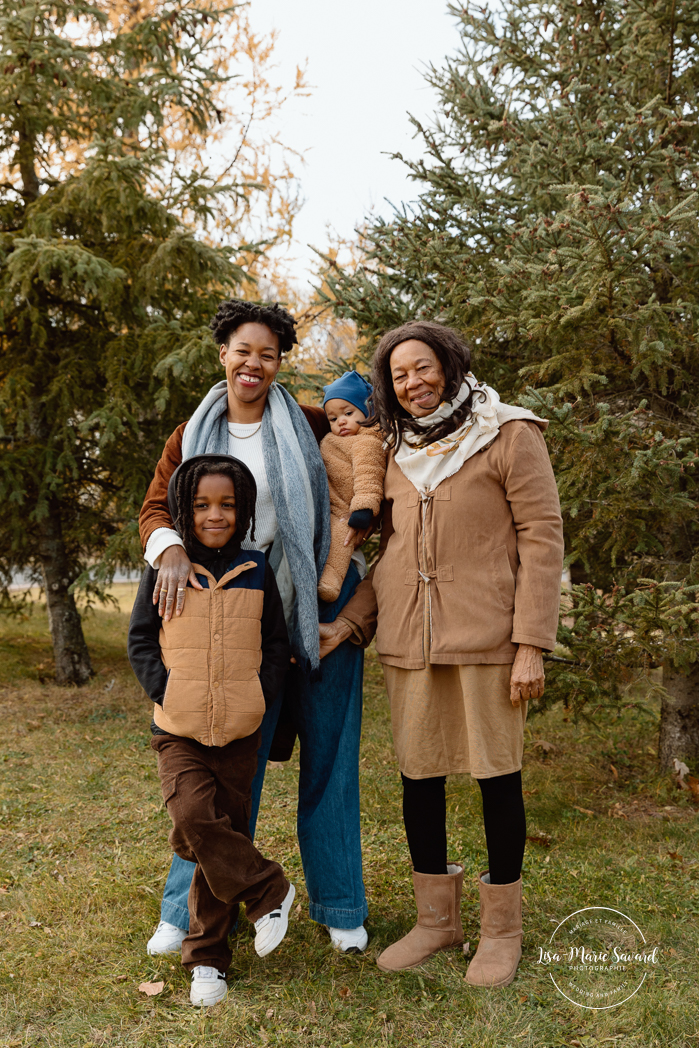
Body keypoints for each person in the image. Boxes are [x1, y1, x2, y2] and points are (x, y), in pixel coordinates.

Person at [320, 321, 564, 987]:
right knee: (419, 779)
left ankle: (500, 931)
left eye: (422, 368)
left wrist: (530, 644)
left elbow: (541, 537)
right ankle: (436, 922)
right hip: (407, 640)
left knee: (496, 778)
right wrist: (347, 625)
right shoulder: (392, 450)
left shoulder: (507, 432)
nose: (413, 383)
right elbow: (388, 554)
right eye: (398, 376)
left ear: (449, 366)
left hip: (488, 639)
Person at [138, 300, 370, 957]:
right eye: (243, 350)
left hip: (315, 600)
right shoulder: (191, 434)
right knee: (218, 764)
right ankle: (186, 913)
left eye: (267, 354)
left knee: (330, 759)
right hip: (228, 606)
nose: (253, 363)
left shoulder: (310, 421)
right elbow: (156, 506)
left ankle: (339, 906)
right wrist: (171, 549)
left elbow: (375, 450)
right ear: (223, 354)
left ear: (278, 363)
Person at [128, 455, 295, 1006]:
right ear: (184, 510)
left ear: (243, 509)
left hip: (241, 729)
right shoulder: (166, 568)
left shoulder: (257, 569)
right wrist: (167, 691)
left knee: (217, 838)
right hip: (178, 726)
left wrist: (259, 692)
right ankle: (268, 887)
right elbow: (141, 640)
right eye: (201, 505)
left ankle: (208, 960)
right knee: (195, 820)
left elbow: (276, 645)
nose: (215, 515)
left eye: (226, 504)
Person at [317, 371, 386, 602]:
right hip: (327, 503)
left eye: (348, 413)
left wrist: (363, 509)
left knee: (342, 538)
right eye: (333, 418)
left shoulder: (367, 442)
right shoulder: (331, 440)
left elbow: (369, 476)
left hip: (347, 509)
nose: (341, 422)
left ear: (367, 412)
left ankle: (331, 581)